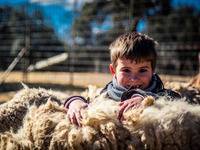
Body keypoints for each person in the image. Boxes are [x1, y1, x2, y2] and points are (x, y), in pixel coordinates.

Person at [64, 32, 181, 126]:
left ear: (152, 71)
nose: (134, 79)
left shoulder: (157, 89)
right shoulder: (108, 92)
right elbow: (90, 100)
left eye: (142, 70)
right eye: (126, 70)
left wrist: (146, 99)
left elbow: (175, 98)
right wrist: (75, 102)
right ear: (113, 70)